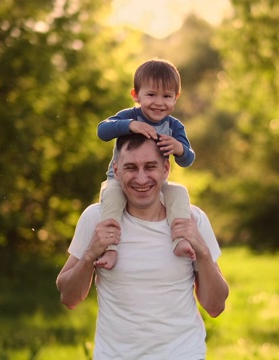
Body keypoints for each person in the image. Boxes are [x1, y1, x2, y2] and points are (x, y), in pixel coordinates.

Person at [56, 134, 229, 359]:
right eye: (131, 167)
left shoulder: (192, 219)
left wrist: (203, 253)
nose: (141, 178)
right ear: (116, 172)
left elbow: (215, 306)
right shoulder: (96, 218)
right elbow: (69, 298)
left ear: (166, 169)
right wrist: (90, 254)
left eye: (150, 167)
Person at [95, 58, 195, 270]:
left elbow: (188, 159)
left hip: (155, 182)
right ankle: (110, 248)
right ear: (136, 95)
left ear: (176, 98)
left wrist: (179, 148)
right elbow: (102, 130)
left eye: (166, 96)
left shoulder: (174, 126)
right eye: (151, 95)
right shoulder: (130, 116)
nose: (159, 102)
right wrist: (130, 126)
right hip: (120, 180)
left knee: (179, 193)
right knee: (111, 196)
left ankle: (180, 240)